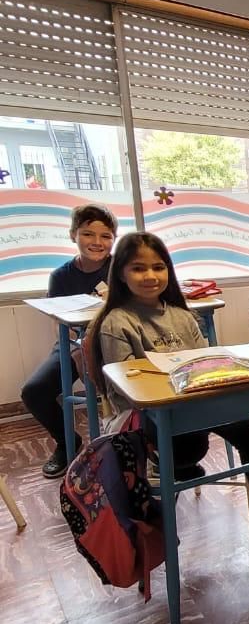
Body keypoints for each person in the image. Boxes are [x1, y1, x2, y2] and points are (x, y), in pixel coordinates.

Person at [88, 232, 249, 546]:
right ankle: (177, 473)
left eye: (158, 267)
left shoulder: (182, 315)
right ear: (121, 274)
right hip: (147, 419)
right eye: (138, 268)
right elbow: (126, 389)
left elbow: (204, 364)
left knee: (246, 429)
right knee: (182, 447)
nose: (150, 276)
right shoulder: (117, 322)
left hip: (191, 408)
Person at [21, 203, 117, 478]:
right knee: (34, 392)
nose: (97, 242)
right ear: (73, 234)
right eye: (88, 234)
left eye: (106, 236)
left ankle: (140, 447)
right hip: (73, 343)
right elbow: (59, 324)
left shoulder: (122, 267)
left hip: (116, 342)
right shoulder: (61, 276)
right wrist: (79, 347)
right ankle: (67, 443)